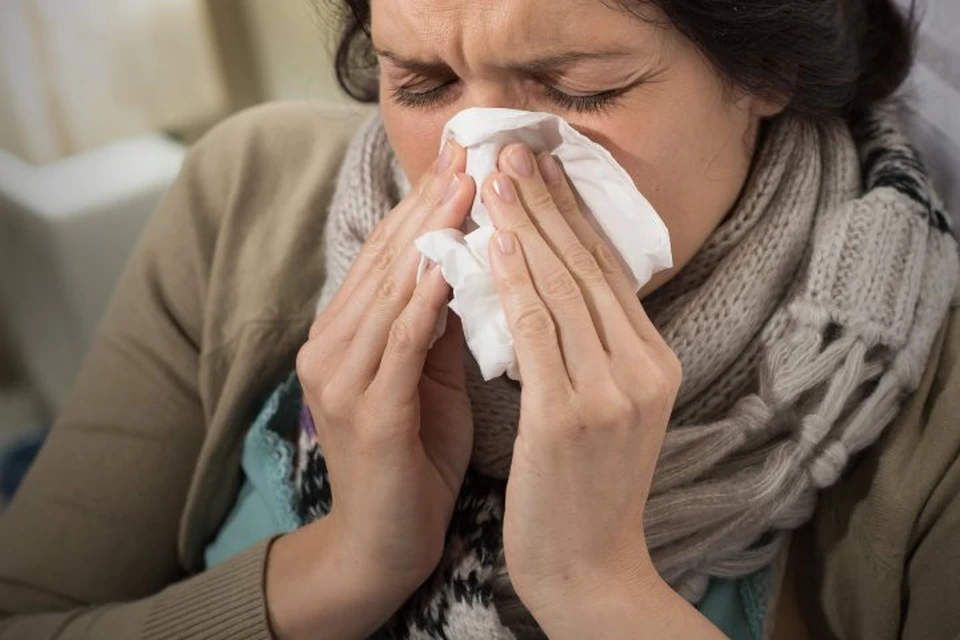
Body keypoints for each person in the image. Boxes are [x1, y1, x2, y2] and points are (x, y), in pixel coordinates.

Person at [1, 0, 958, 638]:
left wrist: (599, 589)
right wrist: (340, 564)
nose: (489, 162)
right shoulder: (243, 195)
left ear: (768, 67)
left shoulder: (933, 394)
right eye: (421, 84)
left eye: (579, 89)